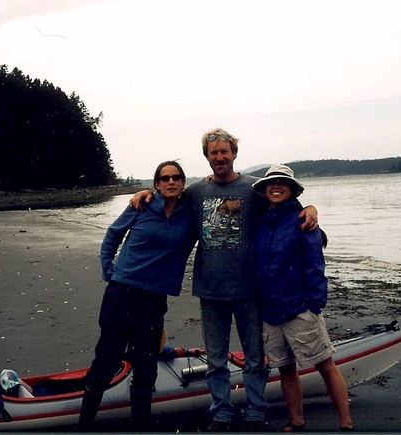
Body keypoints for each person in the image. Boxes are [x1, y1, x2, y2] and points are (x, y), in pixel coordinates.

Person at [131, 129, 317, 431]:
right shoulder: (195, 192)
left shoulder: (253, 190)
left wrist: (310, 208)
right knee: (216, 360)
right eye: (214, 152)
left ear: (234, 154)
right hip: (211, 289)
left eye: (224, 152)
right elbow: (167, 202)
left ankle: (256, 412)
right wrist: (146, 193)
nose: (220, 157)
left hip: (250, 289)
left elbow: (284, 210)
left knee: (256, 358)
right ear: (207, 156)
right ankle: (221, 413)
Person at [78, 161, 197, 432]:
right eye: (164, 178)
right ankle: (84, 426)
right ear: (156, 184)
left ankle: (141, 427)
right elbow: (113, 234)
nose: (170, 182)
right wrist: (109, 269)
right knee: (106, 361)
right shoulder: (140, 206)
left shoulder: (189, 215)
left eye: (176, 178)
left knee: (146, 367)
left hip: (154, 299)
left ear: (183, 183)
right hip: (122, 293)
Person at [252, 164, 354, 432]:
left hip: (299, 308)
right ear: (264, 189)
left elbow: (315, 265)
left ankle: (346, 421)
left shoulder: (303, 220)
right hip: (270, 311)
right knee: (286, 369)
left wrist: (315, 304)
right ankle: (296, 420)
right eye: (271, 182)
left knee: (325, 364)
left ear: (292, 189)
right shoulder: (261, 219)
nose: (276, 186)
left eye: (282, 183)